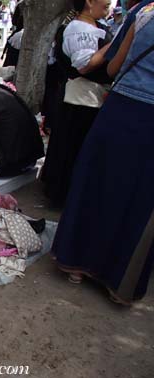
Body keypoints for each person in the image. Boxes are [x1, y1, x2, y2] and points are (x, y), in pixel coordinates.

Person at [51, 4, 154, 305]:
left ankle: (76, 263)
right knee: (139, 198)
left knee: (99, 182)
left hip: (121, 107)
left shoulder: (143, 13)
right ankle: (117, 281)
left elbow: (111, 68)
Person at [41, 0, 113, 205]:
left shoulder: (96, 27)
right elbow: (84, 65)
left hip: (91, 98)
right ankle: (64, 195)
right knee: (73, 148)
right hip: (81, 100)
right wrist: (113, 46)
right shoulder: (77, 29)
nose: (108, 3)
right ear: (89, 2)